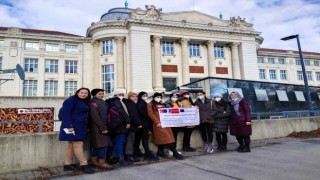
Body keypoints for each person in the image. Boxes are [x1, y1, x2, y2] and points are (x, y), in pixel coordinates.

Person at [59, 87, 95, 174]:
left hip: (80, 127)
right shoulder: (71, 100)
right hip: (72, 127)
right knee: (78, 144)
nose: (84, 94)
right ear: (77, 93)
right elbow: (65, 113)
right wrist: (69, 126)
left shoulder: (84, 101)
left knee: (71, 145)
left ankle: (67, 165)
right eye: (82, 92)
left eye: (86, 93)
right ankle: (84, 165)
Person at [147, 92, 184, 160]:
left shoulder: (161, 104)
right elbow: (151, 114)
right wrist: (157, 122)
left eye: (160, 97)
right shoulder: (150, 104)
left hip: (165, 123)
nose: (159, 98)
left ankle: (160, 152)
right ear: (154, 97)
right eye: (157, 97)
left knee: (163, 138)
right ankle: (175, 153)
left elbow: (167, 111)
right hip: (158, 124)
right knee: (167, 138)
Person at [105, 89, 131, 166]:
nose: (121, 96)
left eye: (122, 94)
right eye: (120, 94)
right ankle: (120, 159)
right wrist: (128, 121)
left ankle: (109, 158)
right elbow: (121, 112)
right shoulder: (116, 101)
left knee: (112, 143)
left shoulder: (108, 101)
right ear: (115, 95)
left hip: (112, 125)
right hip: (120, 125)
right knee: (120, 142)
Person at [89, 89, 113, 169]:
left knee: (98, 145)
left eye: (102, 94)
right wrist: (102, 127)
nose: (101, 95)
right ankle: (101, 162)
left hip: (103, 126)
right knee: (103, 145)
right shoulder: (93, 103)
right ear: (94, 95)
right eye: (99, 94)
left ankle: (94, 161)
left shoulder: (102, 102)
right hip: (98, 127)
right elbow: (95, 116)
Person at [134, 92, 159, 161]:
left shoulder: (141, 102)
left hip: (142, 123)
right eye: (144, 95)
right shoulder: (141, 103)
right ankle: (147, 153)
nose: (145, 97)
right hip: (144, 123)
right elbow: (144, 113)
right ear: (140, 96)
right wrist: (150, 116)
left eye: (146, 95)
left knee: (139, 139)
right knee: (144, 138)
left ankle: (139, 152)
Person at [123, 92, 142, 163]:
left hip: (130, 125)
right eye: (133, 96)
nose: (135, 97)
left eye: (136, 96)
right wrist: (139, 123)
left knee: (129, 140)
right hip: (132, 126)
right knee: (130, 141)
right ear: (129, 97)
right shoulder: (130, 104)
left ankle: (129, 155)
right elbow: (134, 115)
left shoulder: (129, 103)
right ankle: (129, 156)